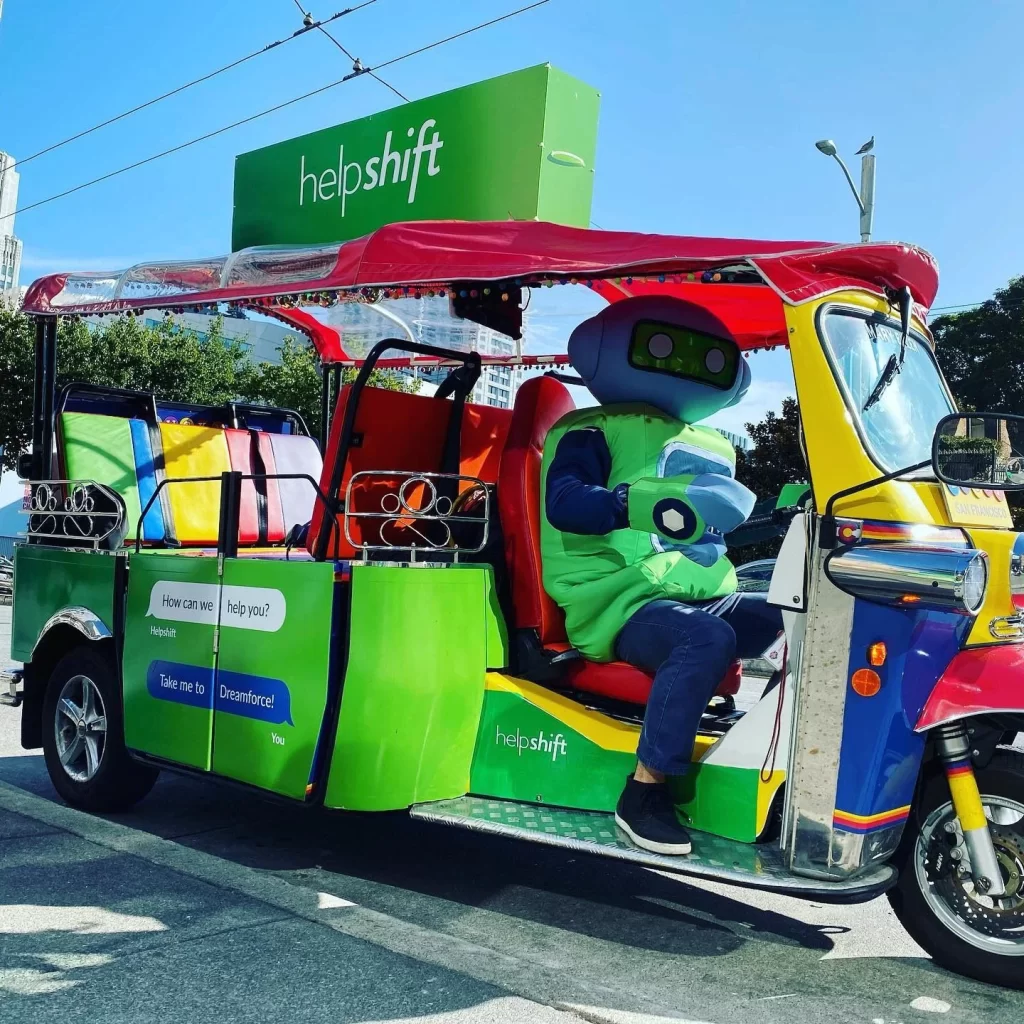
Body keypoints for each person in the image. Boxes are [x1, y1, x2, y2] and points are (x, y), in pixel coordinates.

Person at [540, 296, 784, 856]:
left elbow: (707, 531)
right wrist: (634, 502)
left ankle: (778, 754)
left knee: (798, 614)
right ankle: (644, 792)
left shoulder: (709, 445)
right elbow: (567, 503)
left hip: (695, 591)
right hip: (619, 599)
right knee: (707, 638)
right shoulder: (591, 432)